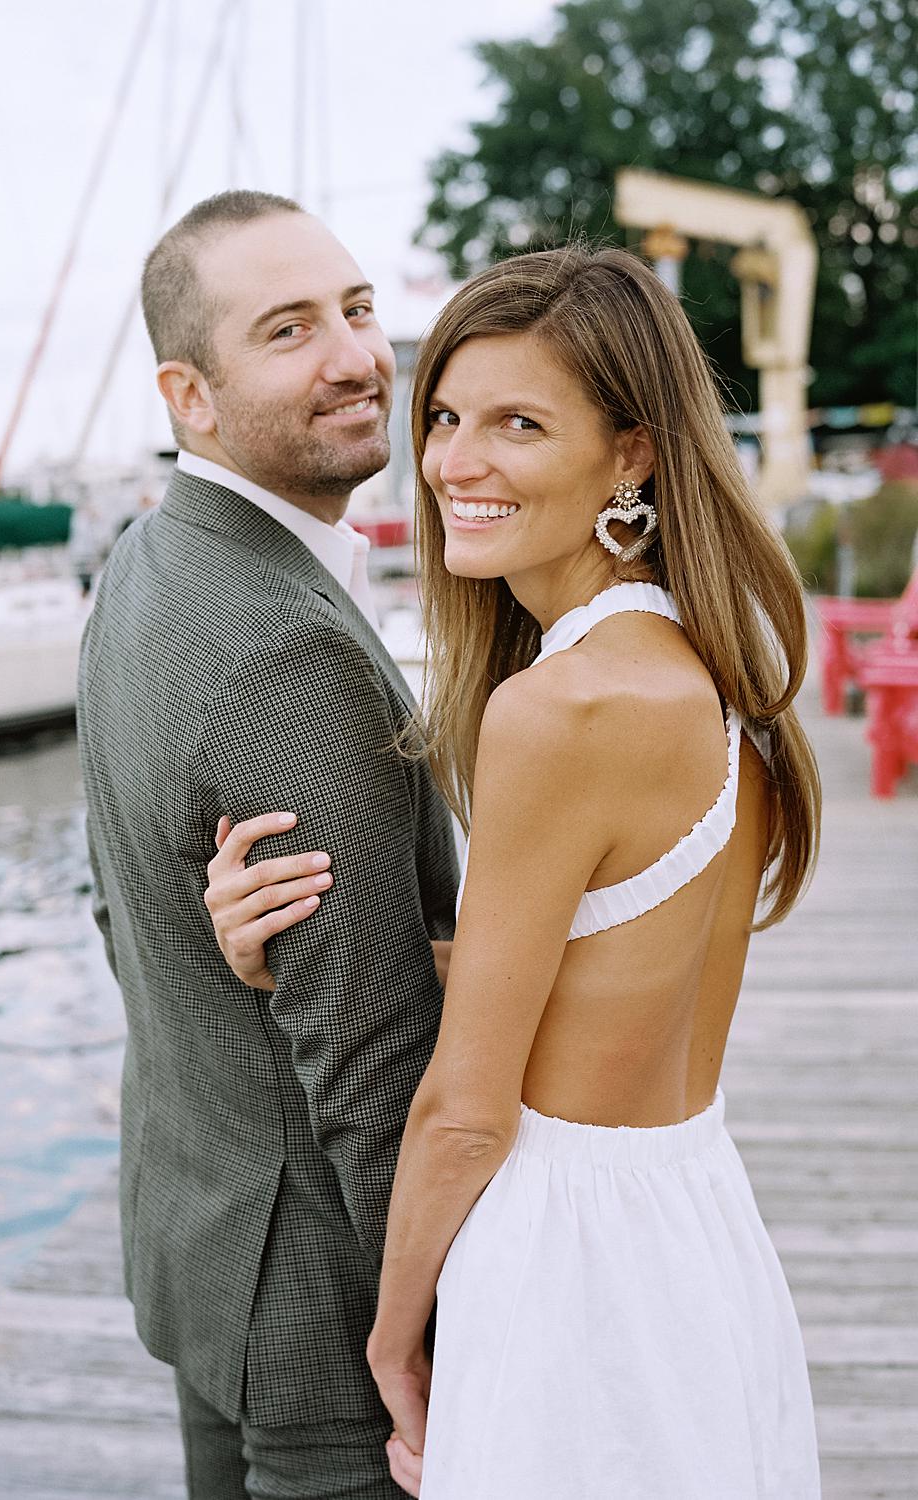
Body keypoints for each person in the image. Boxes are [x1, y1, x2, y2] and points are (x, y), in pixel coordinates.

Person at [205, 244, 823, 1498]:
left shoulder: (561, 710)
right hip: (696, 1228)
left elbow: (469, 1110)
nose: (453, 464)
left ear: (632, 452)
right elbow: (597, 980)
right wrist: (300, 952)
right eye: (443, 416)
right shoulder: (714, 675)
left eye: (518, 424)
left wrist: (390, 1334)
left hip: (569, 1269)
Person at [77, 189, 458, 1499]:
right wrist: (434, 1340)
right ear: (191, 394)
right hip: (324, 1328)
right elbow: (371, 1070)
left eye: (358, 311)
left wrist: (232, 956)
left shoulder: (144, 564)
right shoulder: (284, 647)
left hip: (201, 1247)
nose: (357, 355)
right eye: (290, 330)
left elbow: (120, 905)